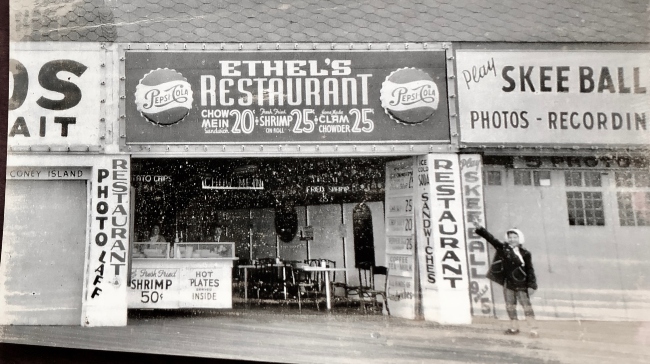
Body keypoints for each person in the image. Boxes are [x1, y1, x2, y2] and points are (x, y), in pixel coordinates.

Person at [473, 221, 539, 337]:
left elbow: (530, 270)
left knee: (526, 306)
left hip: (522, 285)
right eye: (510, 237)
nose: (512, 239)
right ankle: (514, 328)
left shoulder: (525, 253)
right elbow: (491, 239)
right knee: (510, 306)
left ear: (519, 238)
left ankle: (533, 329)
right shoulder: (503, 249)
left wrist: (531, 285)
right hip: (508, 284)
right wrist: (480, 229)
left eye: (515, 237)